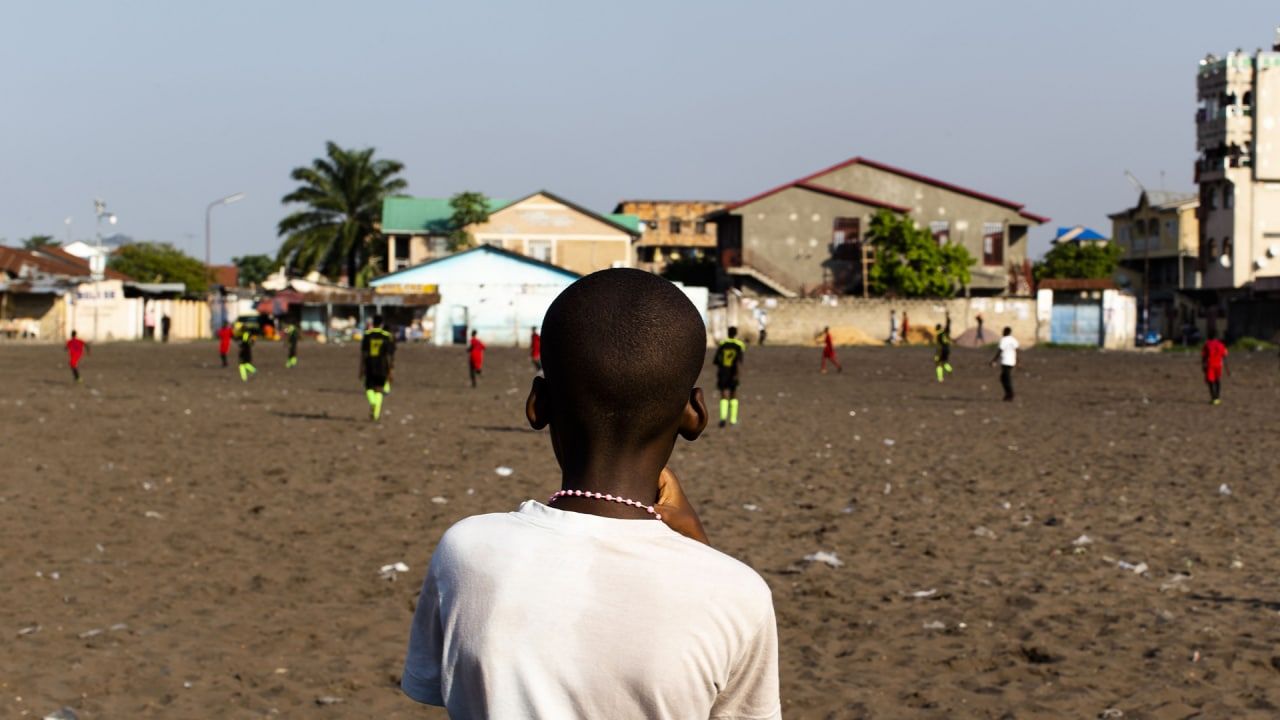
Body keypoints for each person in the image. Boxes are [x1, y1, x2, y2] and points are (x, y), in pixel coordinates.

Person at [401, 269, 780, 719]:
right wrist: (694, 536)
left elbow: (435, 688)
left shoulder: (466, 550)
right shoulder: (738, 595)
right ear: (695, 414)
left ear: (538, 404)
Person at [360, 315, 396, 420]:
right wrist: (390, 370)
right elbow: (389, 355)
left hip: (369, 364)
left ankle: (372, 402)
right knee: (379, 389)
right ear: (382, 324)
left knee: (369, 388)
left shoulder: (367, 335)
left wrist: (361, 368)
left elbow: (363, 354)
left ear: (373, 323)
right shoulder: (386, 336)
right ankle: (376, 413)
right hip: (382, 366)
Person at [713, 326, 746, 428]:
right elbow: (739, 361)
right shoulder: (739, 345)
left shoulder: (722, 344)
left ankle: (723, 418)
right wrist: (737, 374)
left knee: (724, 395)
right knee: (733, 395)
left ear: (728, 333)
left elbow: (715, 360)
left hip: (723, 372)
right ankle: (733, 420)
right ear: (735, 334)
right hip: (733, 372)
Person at [990, 326, 1018, 401]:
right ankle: (1008, 394)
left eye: (1003, 331)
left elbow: (1000, 350)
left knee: (1006, 378)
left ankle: (1010, 394)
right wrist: (1017, 360)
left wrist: (994, 360)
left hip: (1005, 361)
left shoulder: (1004, 340)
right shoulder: (1013, 340)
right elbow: (1017, 350)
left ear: (1005, 332)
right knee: (1003, 378)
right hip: (1012, 361)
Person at [1202, 330, 1229, 405]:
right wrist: (1226, 366)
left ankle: (1213, 397)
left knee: (1210, 381)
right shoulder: (1221, 344)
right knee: (1217, 380)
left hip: (1210, 365)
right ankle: (1217, 397)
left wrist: (1203, 366)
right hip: (1219, 365)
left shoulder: (1207, 344)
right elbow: (1225, 355)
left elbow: (1204, 356)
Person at [934, 312, 953, 383]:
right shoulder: (946, 332)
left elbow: (939, 346)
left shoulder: (938, 335)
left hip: (942, 350)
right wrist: (947, 316)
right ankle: (950, 369)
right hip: (947, 349)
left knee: (938, 364)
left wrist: (936, 355)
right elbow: (949, 324)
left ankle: (940, 378)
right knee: (945, 362)